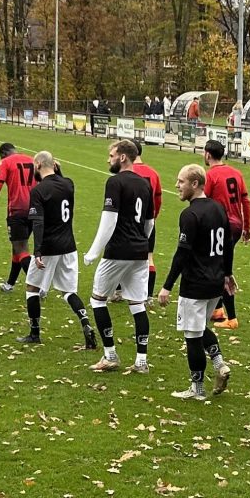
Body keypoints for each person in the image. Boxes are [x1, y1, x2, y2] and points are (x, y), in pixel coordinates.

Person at [159, 164, 236, 401]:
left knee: (192, 336)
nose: (177, 186)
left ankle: (197, 389)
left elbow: (181, 254)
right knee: (201, 327)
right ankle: (220, 364)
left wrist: (167, 286)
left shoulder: (190, 215)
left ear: (195, 184)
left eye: (181, 181)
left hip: (195, 284)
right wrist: (227, 274)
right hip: (215, 284)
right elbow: (228, 245)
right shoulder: (219, 209)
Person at [85, 138, 156, 374]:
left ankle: (110, 355)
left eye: (111, 155)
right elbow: (149, 222)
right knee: (138, 304)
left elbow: (109, 220)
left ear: (122, 157)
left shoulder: (115, 182)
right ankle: (141, 361)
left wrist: (94, 251)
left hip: (118, 250)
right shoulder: (145, 184)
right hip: (139, 251)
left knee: (98, 299)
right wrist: (141, 242)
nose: (109, 159)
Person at [21, 151, 98, 348]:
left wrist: (37, 251)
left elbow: (38, 223)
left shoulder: (38, 191)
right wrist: (58, 169)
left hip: (48, 247)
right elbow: (61, 181)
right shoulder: (68, 184)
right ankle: (86, 324)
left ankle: (34, 333)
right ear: (54, 165)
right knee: (68, 291)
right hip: (69, 246)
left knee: (32, 288)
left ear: (38, 165)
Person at [202, 138, 250, 329]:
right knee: (218, 264)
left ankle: (231, 318)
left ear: (208, 154)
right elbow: (245, 201)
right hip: (237, 225)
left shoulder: (211, 176)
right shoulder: (236, 173)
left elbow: (203, 203)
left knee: (220, 270)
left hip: (221, 227)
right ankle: (218, 310)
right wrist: (247, 227)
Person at [0, 141, 38, 292]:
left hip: (17, 211)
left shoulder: (5, 162)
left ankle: (38, 286)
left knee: (21, 248)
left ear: (2, 154)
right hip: (35, 210)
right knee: (17, 247)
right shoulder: (33, 160)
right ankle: (10, 284)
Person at [128, 145, 165, 285]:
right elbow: (158, 199)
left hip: (130, 221)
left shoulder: (127, 171)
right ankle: (148, 295)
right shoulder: (153, 173)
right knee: (148, 257)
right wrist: (153, 217)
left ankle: (118, 291)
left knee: (122, 255)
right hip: (148, 220)